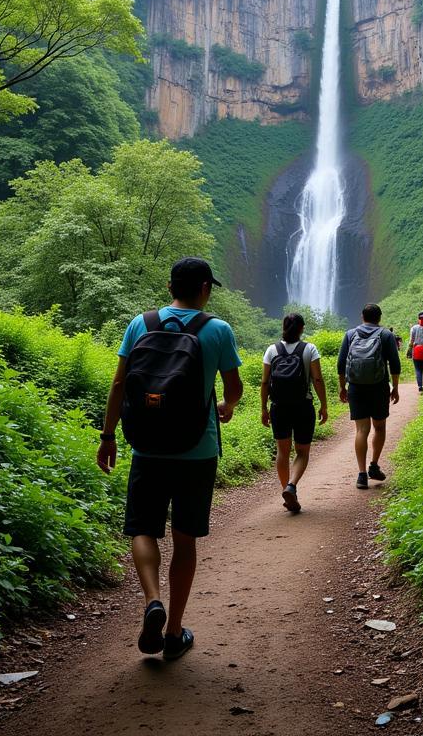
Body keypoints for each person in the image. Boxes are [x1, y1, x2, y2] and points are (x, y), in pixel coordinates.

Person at [97, 257, 243, 661]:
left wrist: (108, 436)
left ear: (169, 286)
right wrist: (228, 406)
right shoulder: (217, 329)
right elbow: (233, 388)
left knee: (142, 528)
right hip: (197, 451)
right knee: (184, 538)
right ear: (205, 289)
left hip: (146, 446)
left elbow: (118, 383)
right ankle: (175, 631)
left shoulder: (139, 324)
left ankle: (152, 600)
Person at [260, 312, 328, 514]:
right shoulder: (310, 349)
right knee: (302, 452)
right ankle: (291, 486)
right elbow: (317, 379)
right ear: (301, 329)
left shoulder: (272, 350)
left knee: (282, 451)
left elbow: (265, 382)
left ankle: (287, 491)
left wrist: (263, 408)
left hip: (278, 406)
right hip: (303, 406)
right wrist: (324, 405)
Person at [337, 303, 401, 489]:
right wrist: (395, 388)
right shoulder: (386, 335)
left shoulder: (350, 334)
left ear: (362, 316)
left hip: (356, 387)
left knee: (361, 430)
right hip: (379, 386)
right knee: (379, 427)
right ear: (379, 318)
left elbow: (341, 365)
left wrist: (343, 387)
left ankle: (361, 474)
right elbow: (395, 365)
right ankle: (373, 465)